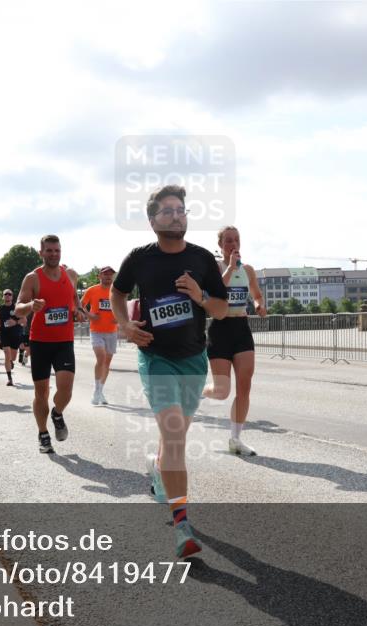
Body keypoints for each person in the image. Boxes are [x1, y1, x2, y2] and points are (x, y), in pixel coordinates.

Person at [110, 185, 228, 558]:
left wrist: (199, 296)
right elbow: (117, 292)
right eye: (168, 211)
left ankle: (156, 466)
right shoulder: (140, 259)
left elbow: (221, 310)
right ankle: (182, 527)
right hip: (156, 357)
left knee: (174, 436)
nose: (177, 215)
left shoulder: (203, 260)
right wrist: (126, 327)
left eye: (181, 209)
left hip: (194, 359)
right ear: (152, 220)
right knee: (176, 436)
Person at [202, 226, 267, 456]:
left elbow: (256, 294)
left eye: (236, 240)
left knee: (244, 386)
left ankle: (236, 438)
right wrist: (230, 267)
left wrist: (259, 305)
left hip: (241, 328)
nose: (233, 244)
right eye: (228, 240)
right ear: (220, 245)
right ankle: (202, 390)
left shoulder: (247, 270)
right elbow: (214, 291)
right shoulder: (215, 268)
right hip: (220, 328)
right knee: (222, 390)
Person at [15, 235, 83, 452]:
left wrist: (79, 312)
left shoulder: (71, 275)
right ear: (41, 252)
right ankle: (43, 433)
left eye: (57, 250)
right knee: (41, 392)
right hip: (41, 341)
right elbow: (17, 307)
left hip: (64, 340)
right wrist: (30, 306)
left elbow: (76, 302)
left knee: (66, 389)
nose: (53, 254)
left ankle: (57, 413)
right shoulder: (32, 278)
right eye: (49, 250)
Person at [81, 266, 119, 405]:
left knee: (107, 363)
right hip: (96, 330)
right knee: (101, 357)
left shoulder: (116, 290)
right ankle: (96, 391)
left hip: (112, 331)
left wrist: (119, 317)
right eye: (105, 274)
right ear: (99, 276)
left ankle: (100, 391)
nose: (108, 277)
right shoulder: (92, 290)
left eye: (110, 274)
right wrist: (89, 315)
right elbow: (80, 305)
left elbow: (122, 306)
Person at [0, 289, 23, 386]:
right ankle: (9, 378)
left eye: (9, 294)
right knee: (7, 355)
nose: (7, 296)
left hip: (15, 334)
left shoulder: (17, 308)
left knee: (13, 357)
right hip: (4, 334)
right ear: (3, 297)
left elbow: (24, 320)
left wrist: (15, 322)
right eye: (5, 294)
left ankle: (11, 361)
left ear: (12, 296)